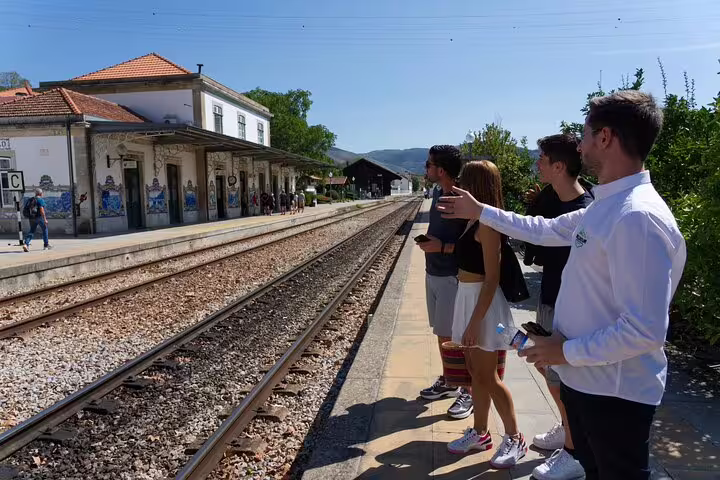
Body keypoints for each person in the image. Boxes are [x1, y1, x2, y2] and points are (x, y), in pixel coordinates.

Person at [438, 91, 686, 480]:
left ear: (605, 138)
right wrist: (481, 210)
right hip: (588, 381)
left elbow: (645, 331)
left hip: (615, 393)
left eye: (585, 132)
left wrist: (565, 351)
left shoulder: (637, 217)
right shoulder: (606, 206)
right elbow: (546, 229)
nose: (580, 142)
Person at [445, 160, 527, 468]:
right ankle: (480, 432)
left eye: (464, 180)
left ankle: (515, 437)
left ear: (475, 186)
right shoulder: (473, 221)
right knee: (476, 375)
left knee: (489, 377)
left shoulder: (488, 225)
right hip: (469, 299)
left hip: (483, 306)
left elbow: (492, 279)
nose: (459, 185)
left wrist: (474, 323)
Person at [418, 145, 506, 420]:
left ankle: (467, 392)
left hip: (458, 281)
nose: (426, 169)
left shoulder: (467, 208)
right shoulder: (438, 194)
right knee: (445, 336)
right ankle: (451, 381)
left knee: (467, 349)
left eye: (429, 165)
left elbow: (477, 256)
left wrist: (442, 248)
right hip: (438, 273)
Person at [524, 134, 594, 480]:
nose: (537, 163)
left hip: (574, 309)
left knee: (565, 378)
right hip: (550, 297)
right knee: (548, 371)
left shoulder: (589, 209)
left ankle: (574, 450)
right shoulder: (553, 199)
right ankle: (567, 428)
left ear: (559, 166)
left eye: (541, 158)